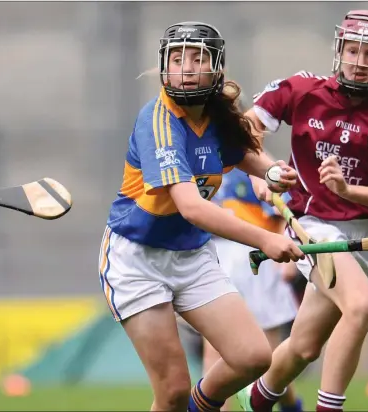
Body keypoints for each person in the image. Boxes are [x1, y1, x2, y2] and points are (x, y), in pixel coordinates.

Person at [97, 21, 305, 412]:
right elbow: (191, 207)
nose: (187, 68)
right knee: (172, 391)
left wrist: (272, 171)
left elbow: (236, 151)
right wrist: (265, 239)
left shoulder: (214, 113)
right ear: (164, 67)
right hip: (137, 262)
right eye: (177, 59)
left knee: (254, 357)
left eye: (198, 58)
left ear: (216, 68)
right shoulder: (159, 120)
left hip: (191, 256)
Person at [236, 10, 368, 412]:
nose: (358, 60)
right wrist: (263, 172)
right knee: (361, 306)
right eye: (352, 49)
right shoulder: (302, 89)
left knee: (303, 348)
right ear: (338, 50)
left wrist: (348, 188)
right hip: (312, 227)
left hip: (361, 238)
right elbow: (245, 130)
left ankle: (254, 401)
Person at [202, 167, 304, 412]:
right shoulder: (205, 164)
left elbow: (282, 215)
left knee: (268, 357)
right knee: (215, 349)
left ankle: (291, 406)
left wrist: (288, 261)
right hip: (215, 260)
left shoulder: (257, 167)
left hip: (257, 261)